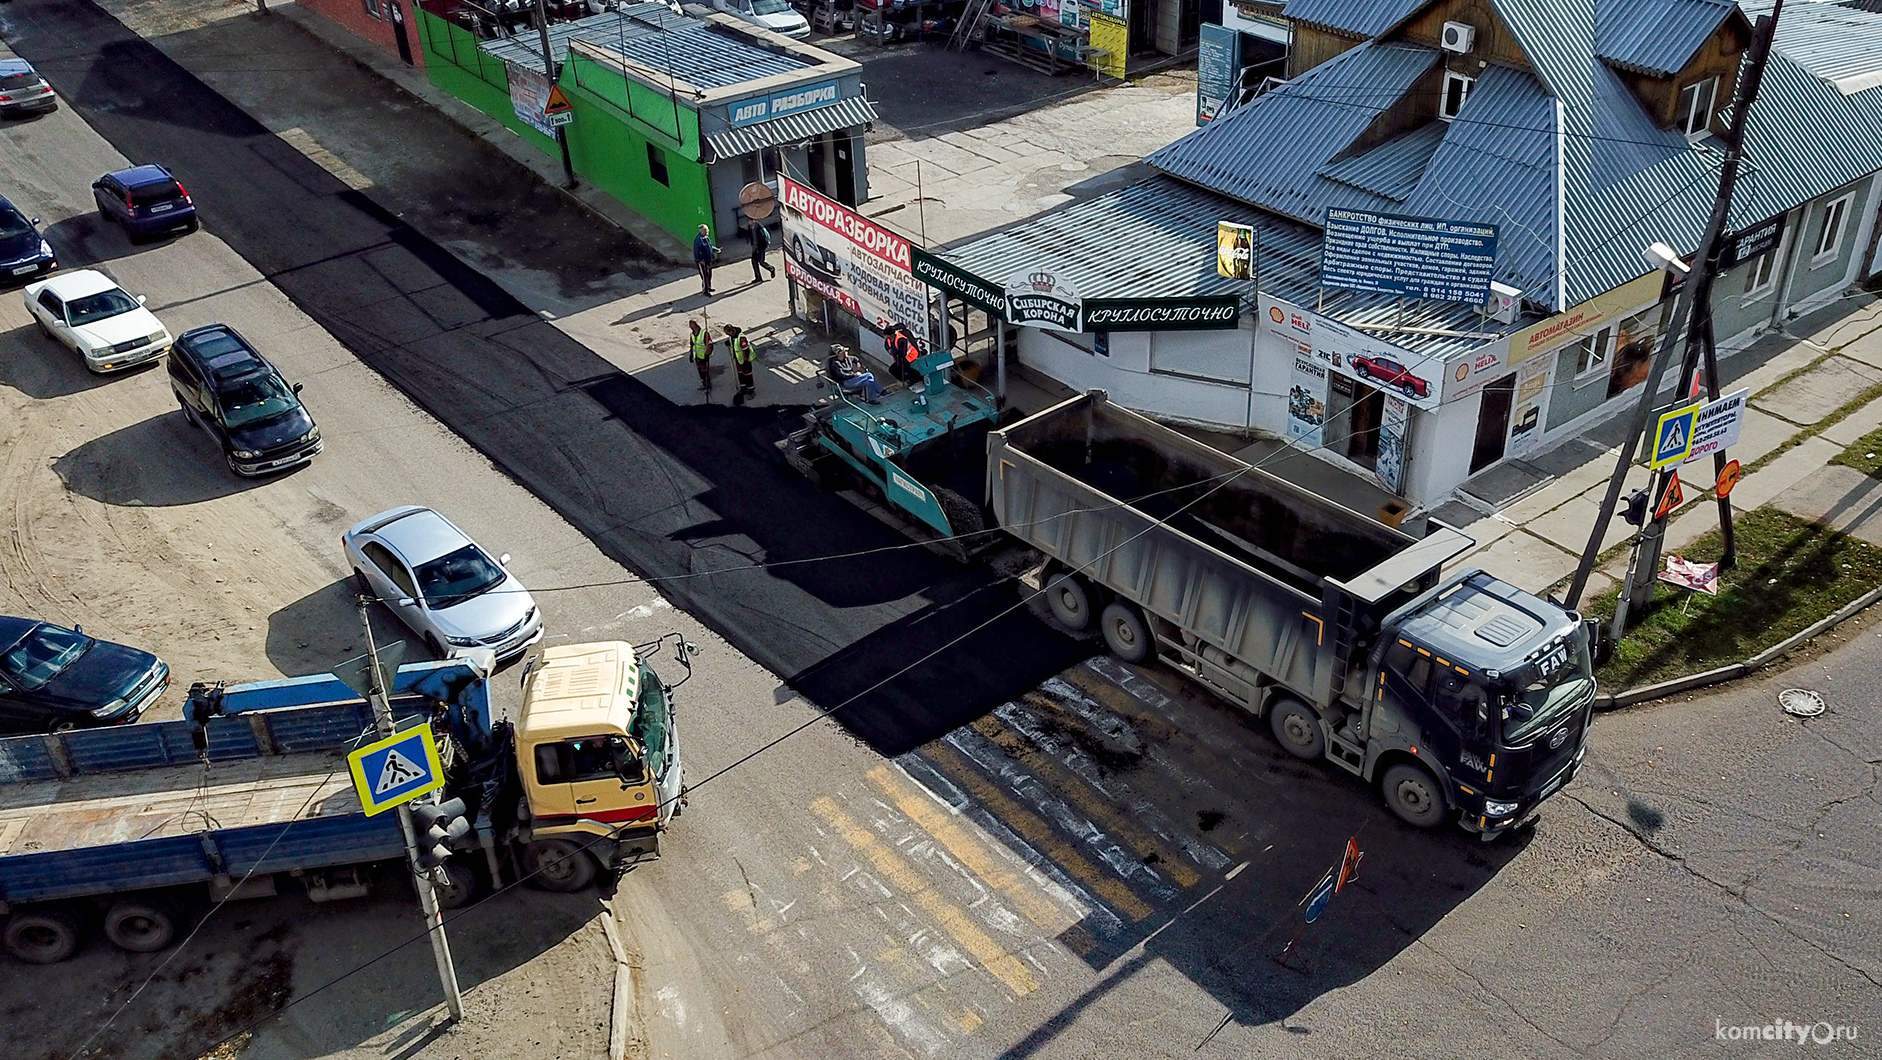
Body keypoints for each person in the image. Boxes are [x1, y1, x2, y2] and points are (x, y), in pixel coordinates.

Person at [725, 324, 756, 404]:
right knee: (741, 375)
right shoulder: (732, 337)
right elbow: (734, 345)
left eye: (728, 333)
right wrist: (729, 343)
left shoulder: (741, 338)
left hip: (745, 360)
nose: (727, 335)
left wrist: (745, 361)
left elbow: (745, 350)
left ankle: (751, 390)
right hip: (738, 360)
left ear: (732, 331)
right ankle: (743, 388)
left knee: (747, 375)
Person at [688, 319, 714, 393]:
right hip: (697, 356)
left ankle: (708, 386)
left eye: (691, 325)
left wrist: (707, 354)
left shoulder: (704, 333)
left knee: (705, 371)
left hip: (704, 356)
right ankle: (704, 384)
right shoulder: (692, 334)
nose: (690, 327)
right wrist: (691, 354)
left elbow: (710, 345)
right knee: (700, 371)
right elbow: (692, 345)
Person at [693, 224, 719, 296]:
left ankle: (709, 287)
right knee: (704, 276)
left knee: (709, 274)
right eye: (706, 230)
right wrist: (701, 260)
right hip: (702, 261)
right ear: (702, 231)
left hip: (708, 260)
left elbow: (709, 246)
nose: (708, 231)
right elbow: (697, 251)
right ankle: (705, 290)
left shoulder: (706, 237)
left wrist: (716, 249)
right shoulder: (698, 240)